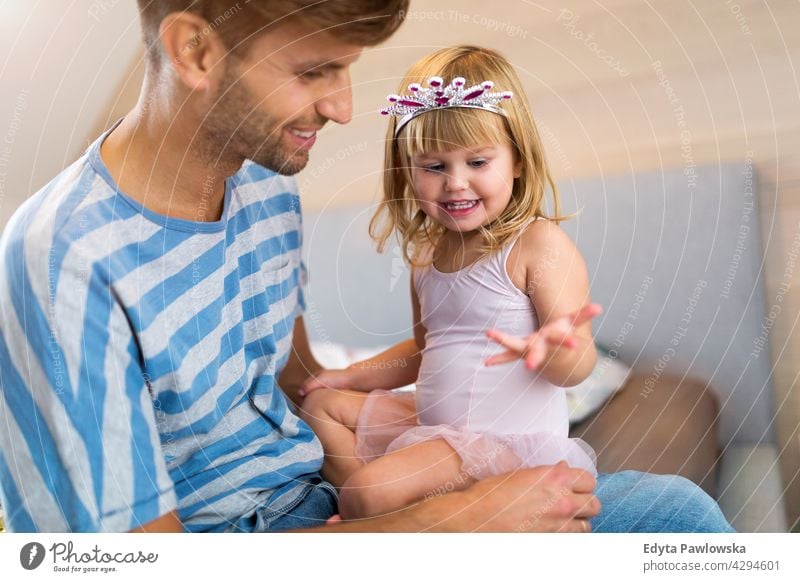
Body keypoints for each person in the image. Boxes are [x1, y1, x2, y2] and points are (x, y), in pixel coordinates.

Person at [0, 2, 730, 533]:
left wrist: (408, 452)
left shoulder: (264, 187)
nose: (346, 108)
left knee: (681, 516)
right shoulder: (63, 260)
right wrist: (449, 521)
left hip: (326, 499)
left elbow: (292, 385)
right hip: (248, 542)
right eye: (315, 70)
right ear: (194, 51)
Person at [298, 46, 735, 531]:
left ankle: (368, 508)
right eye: (434, 167)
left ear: (518, 162)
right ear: (408, 172)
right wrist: (352, 375)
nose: (456, 183)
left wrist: (552, 349)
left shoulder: (536, 245)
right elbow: (425, 351)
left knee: (368, 493)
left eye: (478, 162)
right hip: (439, 431)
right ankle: (381, 509)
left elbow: (578, 366)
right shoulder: (427, 258)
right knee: (320, 405)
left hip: (504, 445)